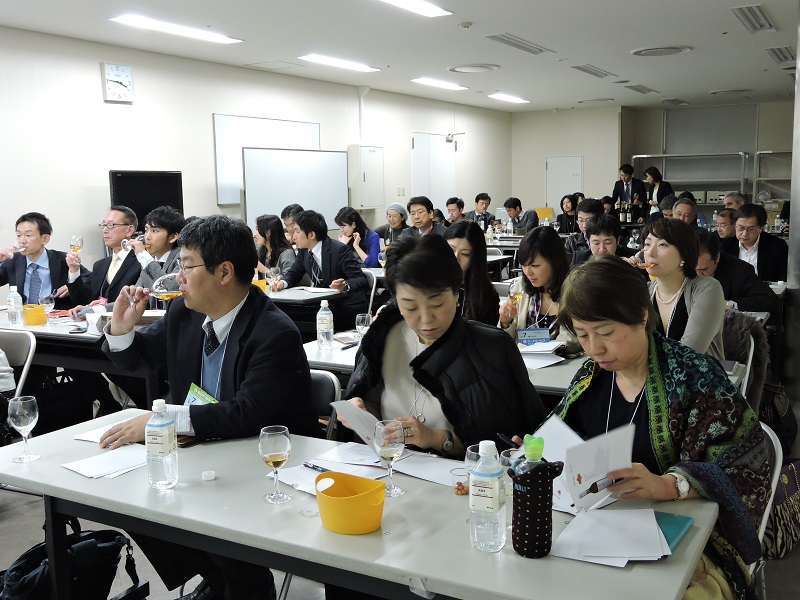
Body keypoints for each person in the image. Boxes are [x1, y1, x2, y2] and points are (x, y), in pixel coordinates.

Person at [99, 215, 319, 600]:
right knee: (139, 506)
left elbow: (248, 413)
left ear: (225, 272)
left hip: (265, 466)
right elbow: (139, 358)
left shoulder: (274, 331)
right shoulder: (185, 314)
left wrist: (165, 419)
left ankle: (245, 584)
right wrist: (122, 329)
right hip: (201, 452)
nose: (176, 276)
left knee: (201, 516)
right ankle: (219, 578)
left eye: (186, 265)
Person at [555, 254, 770, 600]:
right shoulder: (589, 379)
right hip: (591, 534)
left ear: (642, 316)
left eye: (606, 332)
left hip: (684, 543)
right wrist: (535, 453)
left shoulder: (695, 377)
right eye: (582, 335)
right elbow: (562, 441)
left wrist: (671, 485)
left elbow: (749, 466)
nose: (595, 348)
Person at [339, 233, 545, 457]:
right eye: (410, 307)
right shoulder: (381, 337)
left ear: (456, 293)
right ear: (395, 301)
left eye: (437, 304)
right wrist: (358, 411)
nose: (426, 320)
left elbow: (508, 445)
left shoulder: (492, 348)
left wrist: (434, 438)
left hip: (463, 483)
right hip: (390, 474)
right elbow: (370, 406)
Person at [639, 218, 725, 361]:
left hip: (699, 378)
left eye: (662, 245)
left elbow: (689, 353)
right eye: (647, 244)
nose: (650, 253)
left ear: (684, 253)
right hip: (654, 378)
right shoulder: (645, 291)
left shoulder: (707, 288)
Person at [272, 210, 368, 331]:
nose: (293, 236)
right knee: (286, 317)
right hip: (321, 305)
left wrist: (345, 286)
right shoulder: (304, 251)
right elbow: (293, 273)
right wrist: (282, 283)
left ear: (311, 235)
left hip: (344, 306)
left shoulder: (338, 250)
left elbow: (361, 279)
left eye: (297, 231)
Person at [0, 212, 86, 309]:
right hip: (25, 319)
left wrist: (70, 286)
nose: (22, 241)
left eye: (28, 235)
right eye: (19, 235)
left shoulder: (62, 260)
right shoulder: (13, 261)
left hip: (55, 319)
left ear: (45, 239)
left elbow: (90, 280)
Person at [498, 226, 570, 343]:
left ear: (555, 261)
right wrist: (506, 322)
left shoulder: (573, 291)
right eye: (523, 265)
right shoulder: (520, 289)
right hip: (525, 360)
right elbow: (507, 341)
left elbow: (573, 339)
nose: (528, 272)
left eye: (535, 266)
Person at [66, 205, 142, 308]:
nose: (105, 230)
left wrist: (103, 308)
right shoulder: (100, 265)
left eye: (111, 225)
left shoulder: (141, 261)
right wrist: (74, 270)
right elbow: (82, 300)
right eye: (104, 225)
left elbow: (140, 300)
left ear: (129, 230)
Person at [696, 229, 780, 316]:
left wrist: (730, 304)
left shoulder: (740, 270)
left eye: (704, 270)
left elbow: (770, 300)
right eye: (693, 269)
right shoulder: (683, 266)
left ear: (717, 257)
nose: (698, 274)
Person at [442, 221, 500, 325]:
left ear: (475, 258)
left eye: (465, 254)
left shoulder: (486, 295)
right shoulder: (426, 284)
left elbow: (488, 336)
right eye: (450, 249)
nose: (455, 258)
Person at [719, 203, 788, 282]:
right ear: (735, 225)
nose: (744, 234)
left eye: (750, 229)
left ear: (761, 228)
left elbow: (782, 279)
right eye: (741, 228)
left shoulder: (776, 246)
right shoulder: (725, 247)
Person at [571, 214, 639, 268]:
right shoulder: (580, 259)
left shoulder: (632, 257)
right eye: (596, 243)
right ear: (589, 241)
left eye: (608, 243)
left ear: (617, 240)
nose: (602, 249)